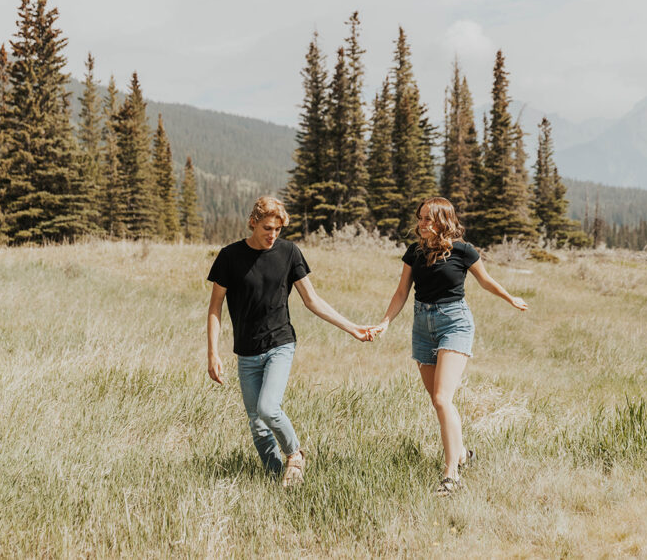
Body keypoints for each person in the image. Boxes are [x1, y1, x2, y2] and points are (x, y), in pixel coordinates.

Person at [206, 196, 372, 487]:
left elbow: (312, 300)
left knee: (268, 409)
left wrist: (352, 328)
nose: (273, 235)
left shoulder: (289, 253)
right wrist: (212, 353)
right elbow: (215, 307)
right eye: (267, 228)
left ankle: (294, 454)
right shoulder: (229, 257)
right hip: (246, 352)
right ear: (253, 222)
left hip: (280, 344)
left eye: (278, 229)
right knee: (257, 425)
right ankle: (275, 480)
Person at [370, 197, 528, 495]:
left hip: (454, 323)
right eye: (420, 218)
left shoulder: (463, 250)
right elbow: (402, 291)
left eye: (429, 218)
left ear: (444, 220)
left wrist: (510, 298)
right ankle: (464, 454)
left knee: (443, 398)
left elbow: (486, 281)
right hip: (422, 327)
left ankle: (451, 474)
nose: (422, 223)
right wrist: (385, 322)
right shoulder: (414, 252)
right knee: (438, 401)